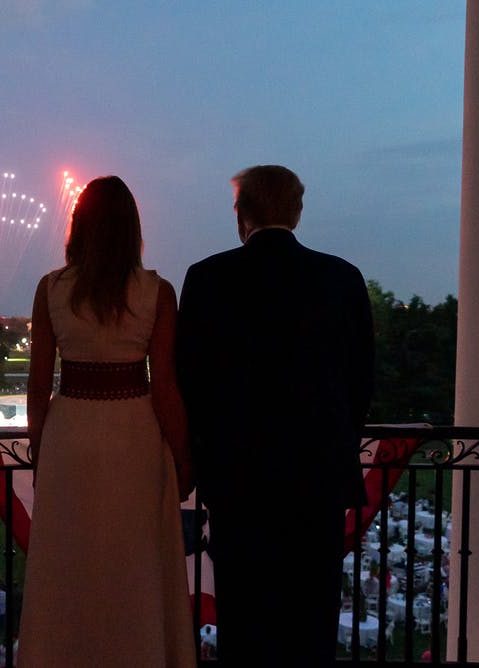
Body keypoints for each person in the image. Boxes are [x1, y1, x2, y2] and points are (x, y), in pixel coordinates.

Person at [177, 164, 374, 667]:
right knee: (312, 622)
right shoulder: (343, 279)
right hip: (318, 482)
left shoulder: (207, 279)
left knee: (245, 623)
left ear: (241, 215)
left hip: (239, 484)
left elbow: (190, 384)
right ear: (297, 212)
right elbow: (361, 383)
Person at [17, 175, 195, 666]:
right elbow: (165, 389)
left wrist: (41, 450)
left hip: (70, 435)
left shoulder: (51, 289)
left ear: (79, 226)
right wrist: (184, 460)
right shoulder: (157, 293)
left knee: (67, 566)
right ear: (132, 228)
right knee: (134, 564)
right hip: (133, 435)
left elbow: (37, 388)